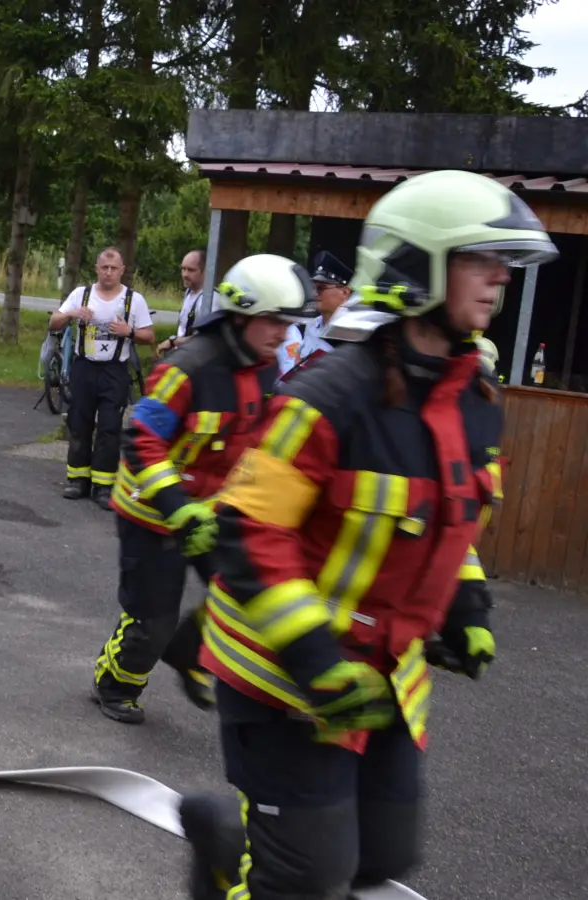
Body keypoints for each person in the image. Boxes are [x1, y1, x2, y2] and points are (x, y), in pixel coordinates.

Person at [178, 169, 557, 899]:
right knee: (307, 876)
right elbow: (249, 529)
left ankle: (236, 834)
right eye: (481, 260)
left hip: (382, 675)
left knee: (382, 856)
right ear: (419, 266)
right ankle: (239, 854)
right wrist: (316, 660)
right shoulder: (327, 395)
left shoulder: (474, 400)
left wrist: (465, 607)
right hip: (281, 673)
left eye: (503, 266)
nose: (499, 281)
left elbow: (451, 525)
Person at [92, 253, 318, 724]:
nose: (283, 333)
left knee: (243, 594)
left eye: (289, 323)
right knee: (152, 621)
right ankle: (115, 684)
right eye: (274, 321)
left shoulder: (264, 367)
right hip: (152, 513)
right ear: (240, 316)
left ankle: (188, 653)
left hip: (213, 511)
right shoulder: (187, 368)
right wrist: (176, 505)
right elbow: (141, 437)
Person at [47, 247, 155, 509]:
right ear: (96, 268)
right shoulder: (81, 295)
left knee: (109, 427)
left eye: (113, 268)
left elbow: (149, 336)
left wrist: (129, 331)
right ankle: (77, 480)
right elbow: (53, 323)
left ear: (122, 270)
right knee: (79, 423)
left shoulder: (133, 300)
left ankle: (103, 486)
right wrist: (72, 314)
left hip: (114, 371)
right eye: (104, 268)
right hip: (84, 368)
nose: (108, 273)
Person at [276, 249, 355, 379]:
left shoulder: (356, 331)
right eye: (314, 287)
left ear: (345, 292)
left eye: (321, 288)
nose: (314, 293)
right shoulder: (312, 325)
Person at [157, 248, 207, 356]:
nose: (185, 274)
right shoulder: (189, 292)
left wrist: (172, 341)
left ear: (205, 271)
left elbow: (204, 339)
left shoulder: (209, 300)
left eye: (191, 270)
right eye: (183, 269)